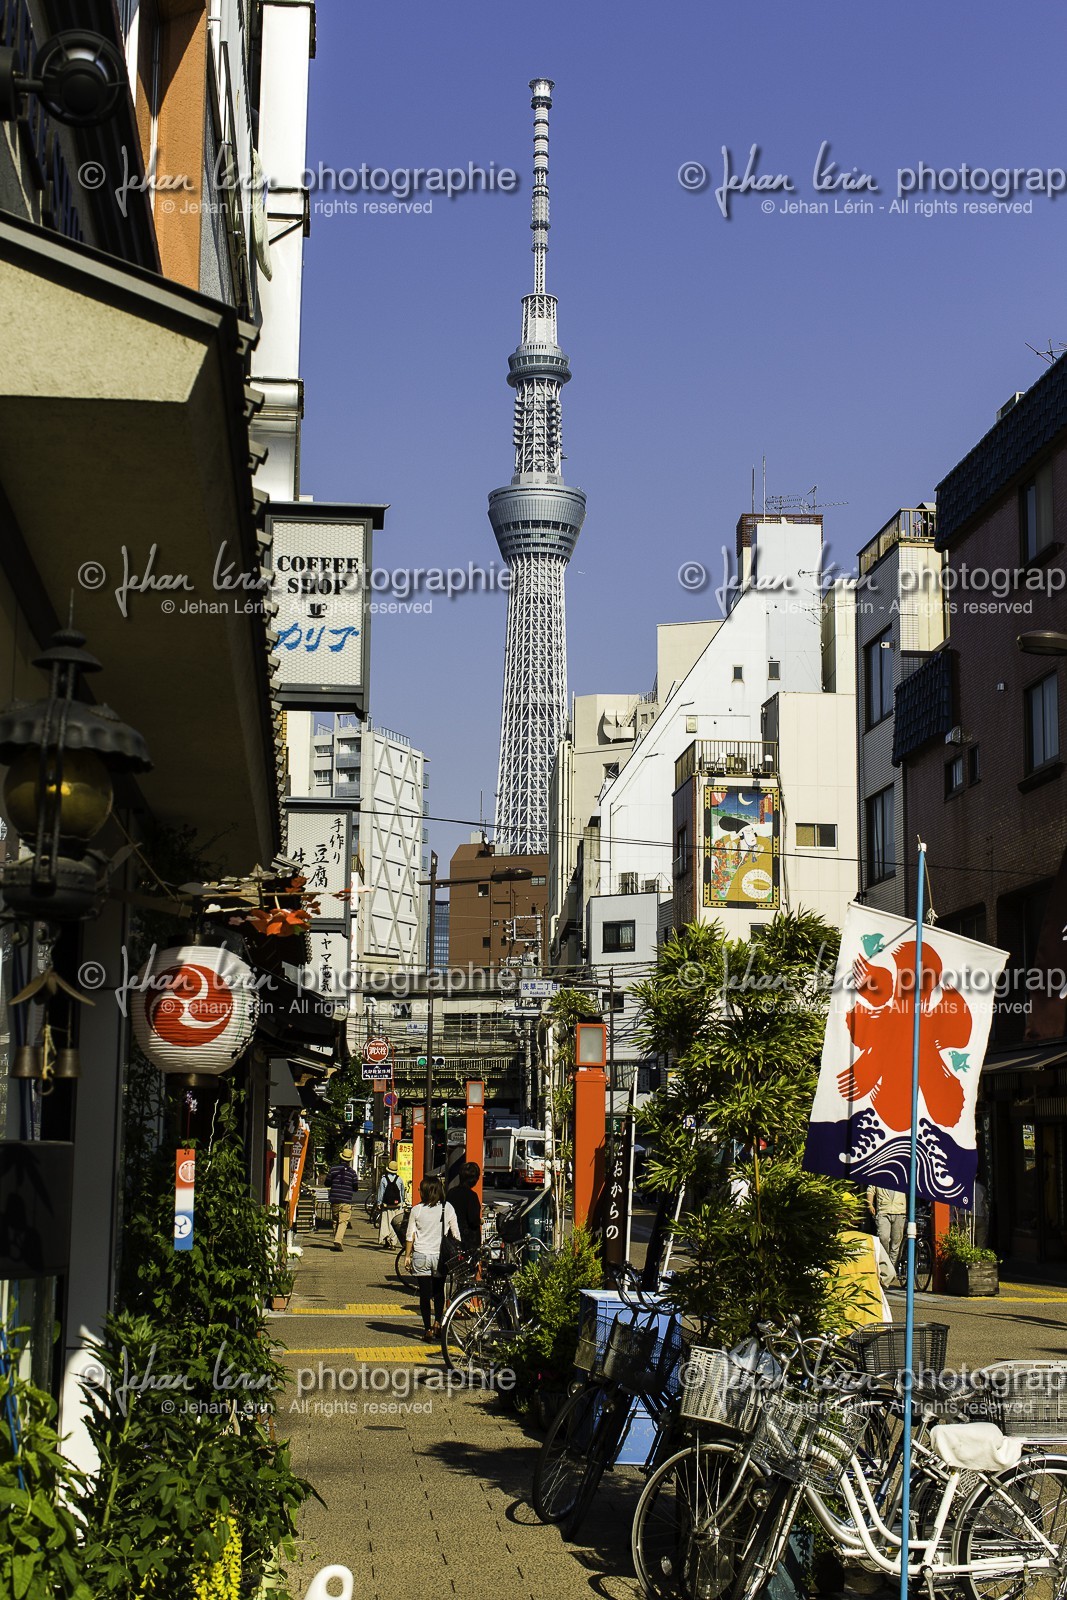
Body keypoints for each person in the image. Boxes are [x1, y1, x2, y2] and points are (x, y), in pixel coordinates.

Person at [404, 1176, 461, 1339]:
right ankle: (438, 1323)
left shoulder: (417, 1209)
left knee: (424, 1294)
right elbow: (456, 1235)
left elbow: (410, 1235)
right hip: (440, 1256)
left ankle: (427, 1328)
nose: (418, 1191)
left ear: (426, 1191)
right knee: (438, 1292)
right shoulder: (447, 1207)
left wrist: (407, 1256)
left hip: (421, 1255)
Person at [868, 1184, 906, 1283]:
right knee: (883, 1238)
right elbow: (871, 1189)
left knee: (896, 1244)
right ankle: (885, 1267)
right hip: (883, 1211)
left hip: (900, 1211)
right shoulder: (880, 1174)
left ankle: (890, 1272)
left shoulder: (901, 1175)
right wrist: (870, 1204)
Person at [326, 1148, 358, 1252]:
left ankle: (336, 1242)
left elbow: (327, 1183)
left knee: (335, 1221)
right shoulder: (352, 1173)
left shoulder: (333, 1170)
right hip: (346, 1200)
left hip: (334, 1198)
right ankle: (338, 1240)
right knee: (343, 1221)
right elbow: (355, 1187)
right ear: (349, 1160)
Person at [448, 1161, 482, 1256]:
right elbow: (473, 1220)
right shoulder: (472, 1196)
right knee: (468, 1269)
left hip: (452, 1238)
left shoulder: (451, 1193)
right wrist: (480, 1221)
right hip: (468, 1241)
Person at [376, 1160, 406, 1248]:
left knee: (386, 1222)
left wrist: (379, 1203)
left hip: (386, 1205)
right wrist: (402, 1202)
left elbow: (381, 1192)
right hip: (397, 1206)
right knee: (396, 1224)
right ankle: (393, 1243)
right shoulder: (399, 1180)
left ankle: (386, 1240)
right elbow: (402, 1193)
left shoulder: (384, 1179)